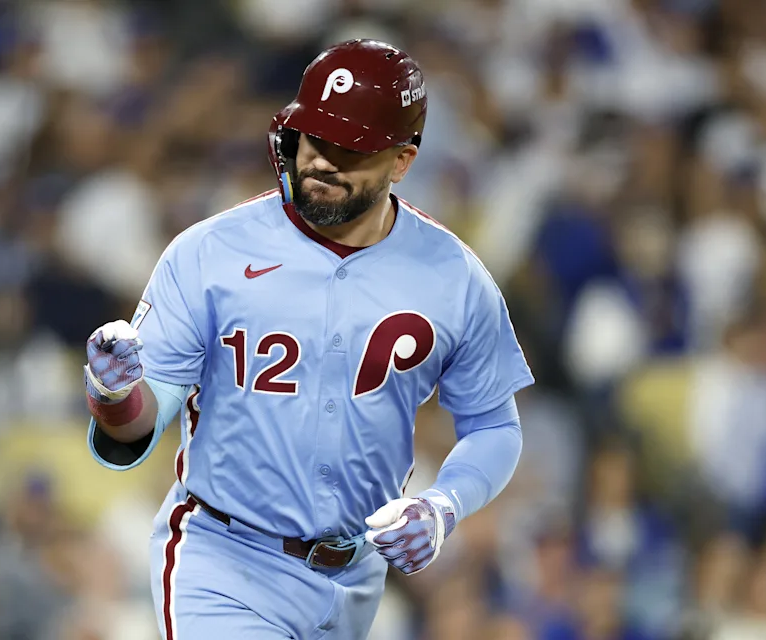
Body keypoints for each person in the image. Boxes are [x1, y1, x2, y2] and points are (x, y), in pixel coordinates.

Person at [83, 39, 534, 640]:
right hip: (225, 561)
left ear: (401, 161)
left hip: (355, 579)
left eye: (350, 149)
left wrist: (443, 505)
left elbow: (495, 425)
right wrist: (115, 396)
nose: (321, 161)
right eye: (313, 138)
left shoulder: (454, 276)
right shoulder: (210, 252)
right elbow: (139, 425)